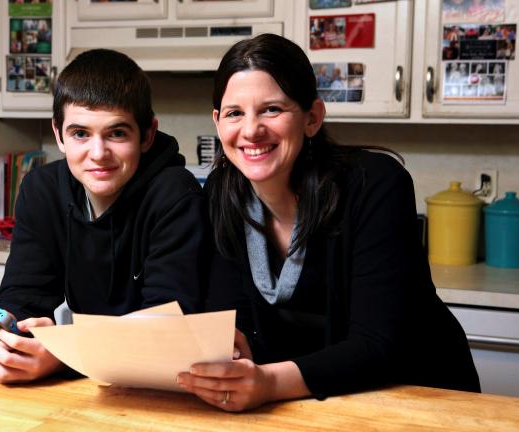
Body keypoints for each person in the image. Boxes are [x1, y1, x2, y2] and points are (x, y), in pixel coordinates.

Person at [176, 33, 480, 412]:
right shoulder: (224, 190)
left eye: (271, 109)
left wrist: (268, 382)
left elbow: (378, 344)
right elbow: (231, 319)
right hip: (311, 403)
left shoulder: (376, 185)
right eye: (235, 113)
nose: (251, 130)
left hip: (419, 398)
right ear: (218, 123)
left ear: (312, 118)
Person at [0, 49, 210, 383]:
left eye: (117, 133)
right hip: (89, 388)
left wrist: (64, 355)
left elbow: (167, 332)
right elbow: (22, 297)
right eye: (80, 133)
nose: (98, 154)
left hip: (166, 391)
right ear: (59, 135)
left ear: (147, 135)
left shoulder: (176, 195)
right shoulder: (43, 190)